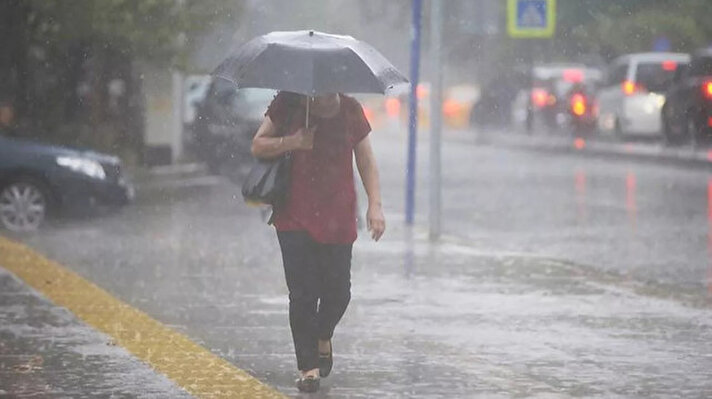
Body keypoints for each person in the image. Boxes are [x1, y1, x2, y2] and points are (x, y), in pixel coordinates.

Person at [251, 92, 385, 393]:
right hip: (293, 215)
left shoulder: (350, 110)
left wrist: (375, 204)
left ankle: (323, 334)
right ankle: (307, 367)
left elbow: (365, 159)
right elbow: (258, 144)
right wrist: (293, 142)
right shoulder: (288, 103)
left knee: (339, 293)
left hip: (338, 215)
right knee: (303, 294)